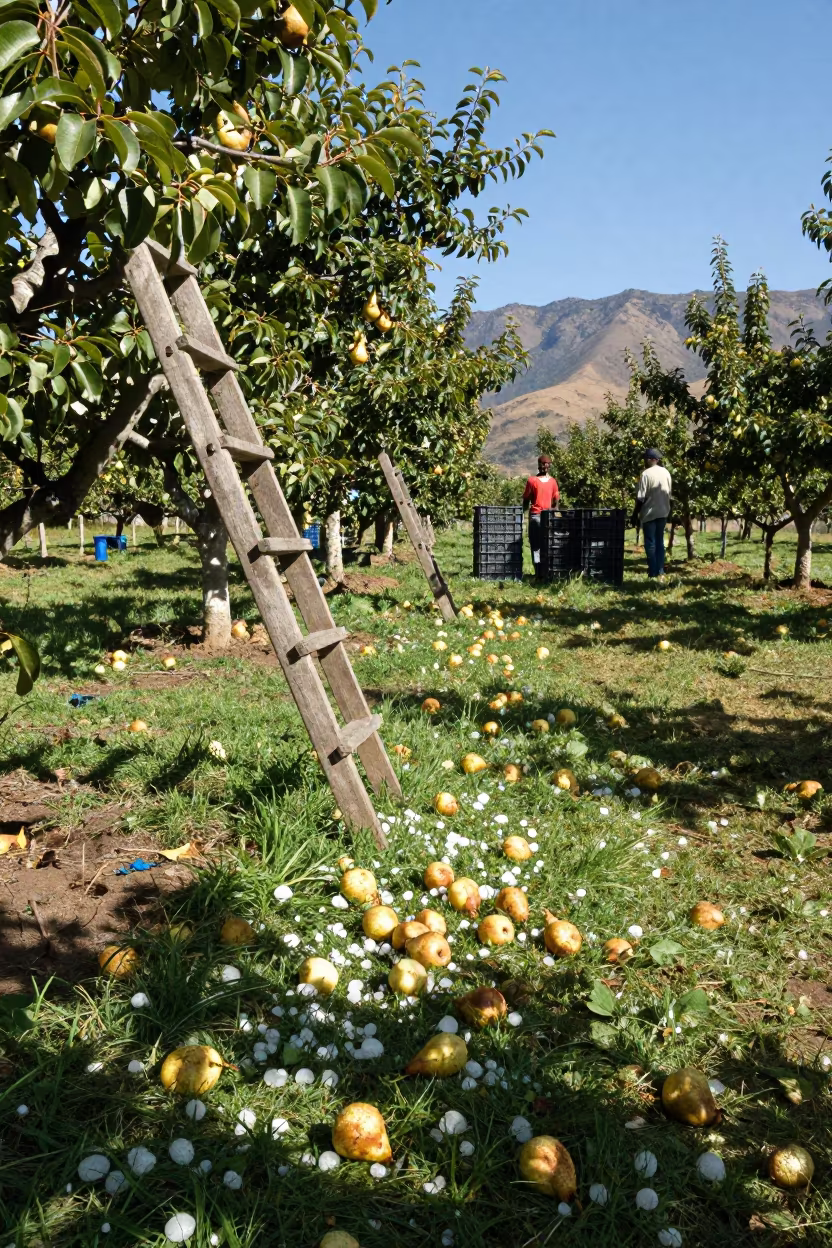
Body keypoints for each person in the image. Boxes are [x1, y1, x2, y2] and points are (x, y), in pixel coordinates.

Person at [634, 448, 672, 579]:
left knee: (650, 542)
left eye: (646, 458)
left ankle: (653, 571)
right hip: (663, 511)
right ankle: (660, 570)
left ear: (651, 459)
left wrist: (635, 514)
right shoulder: (666, 473)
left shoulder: (646, 474)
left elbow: (640, 498)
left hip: (649, 513)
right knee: (659, 542)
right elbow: (669, 493)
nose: (644, 461)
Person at [523, 455, 560, 577]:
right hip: (548, 517)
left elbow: (526, 500)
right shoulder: (553, 482)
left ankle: (538, 571)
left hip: (535, 516)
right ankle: (547, 571)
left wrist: (523, 515)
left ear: (539, 465)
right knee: (548, 544)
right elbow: (555, 502)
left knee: (536, 545)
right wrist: (554, 513)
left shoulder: (532, 481)